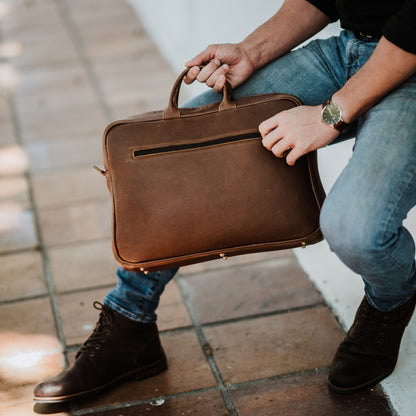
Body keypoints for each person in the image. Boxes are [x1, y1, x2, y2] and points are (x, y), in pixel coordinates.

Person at [34, 0, 416, 403]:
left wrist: (328, 115)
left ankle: (390, 299)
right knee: (179, 154)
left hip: (409, 65)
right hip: (349, 49)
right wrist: (251, 51)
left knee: (354, 231)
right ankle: (130, 321)